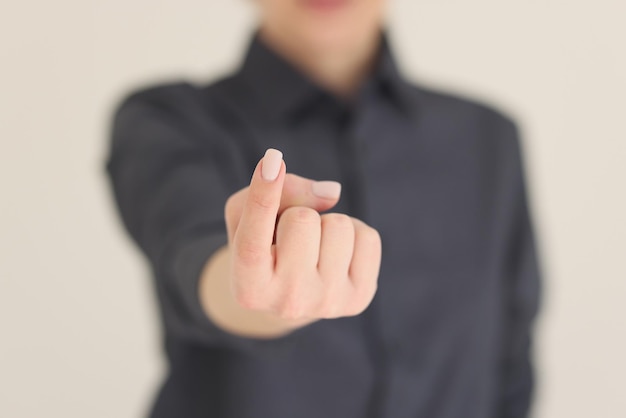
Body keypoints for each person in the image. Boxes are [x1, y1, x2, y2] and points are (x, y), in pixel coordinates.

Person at [106, 0, 542, 417]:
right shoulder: (168, 119)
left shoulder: (487, 137)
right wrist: (253, 282)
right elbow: (193, 258)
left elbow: (510, 356)